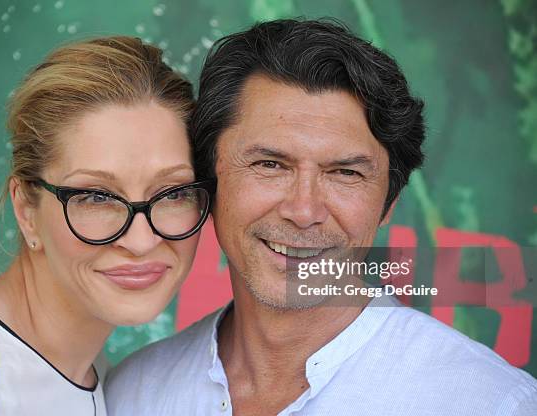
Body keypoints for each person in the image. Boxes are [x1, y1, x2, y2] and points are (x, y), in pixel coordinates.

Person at [106, 19, 537, 415]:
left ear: (388, 202)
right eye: (270, 165)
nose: (304, 211)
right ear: (210, 182)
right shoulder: (134, 392)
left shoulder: (491, 402)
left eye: (345, 173)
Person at [0, 36, 215, 415]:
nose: (142, 241)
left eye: (174, 193)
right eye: (96, 197)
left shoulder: (110, 387)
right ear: (26, 208)